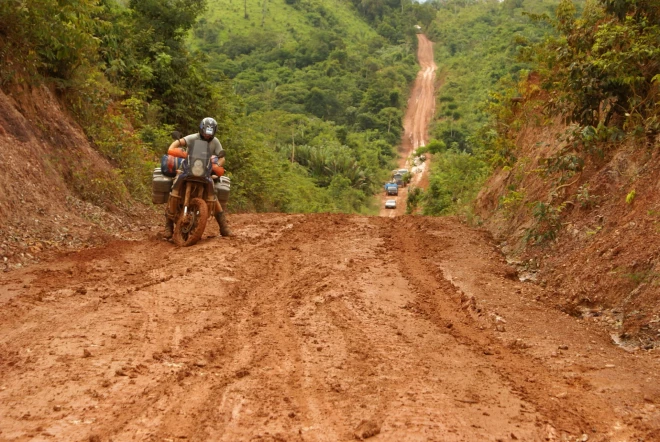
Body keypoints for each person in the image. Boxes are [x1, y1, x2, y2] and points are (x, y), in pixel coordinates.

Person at [162, 117, 232, 239]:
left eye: (210, 134)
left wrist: (218, 164)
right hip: (188, 167)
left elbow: (222, 156)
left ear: (214, 132)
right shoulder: (193, 137)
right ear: (201, 129)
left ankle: (224, 227)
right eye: (205, 132)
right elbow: (179, 143)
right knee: (174, 187)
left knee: (213, 194)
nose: (207, 136)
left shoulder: (215, 141)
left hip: (205, 170)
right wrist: (173, 149)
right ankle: (168, 226)